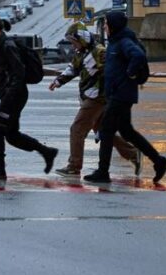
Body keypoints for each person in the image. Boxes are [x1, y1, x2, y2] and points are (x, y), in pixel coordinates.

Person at [83, 11, 166, 185]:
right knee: (126, 131)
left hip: (120, 96)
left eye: (107, 24)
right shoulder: (116, 41)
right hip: (119, 94)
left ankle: (102, 171)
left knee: (106, 130)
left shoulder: (124, 41)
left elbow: (138, 55)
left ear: (113, 25)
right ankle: (159, 161)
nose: (105, 27)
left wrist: (130, 73)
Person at [49, 22, 141, 178]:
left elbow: (112, 71)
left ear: (82, 38)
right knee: (104, 131)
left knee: (77, 129)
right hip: (93, 96)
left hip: (97, 97)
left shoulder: (99, 52)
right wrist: (58, 81)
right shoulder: (82, 52)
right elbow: (73, 68)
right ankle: (133, 154)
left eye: (74, 41)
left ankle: (74, 166)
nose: (73, 45)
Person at [0, 15, 58, 180]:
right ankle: (47, 152)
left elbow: (18, 72)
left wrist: (9, 95)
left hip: (14, 96)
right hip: (11, 95)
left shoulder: (7, 45)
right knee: (12, 135)